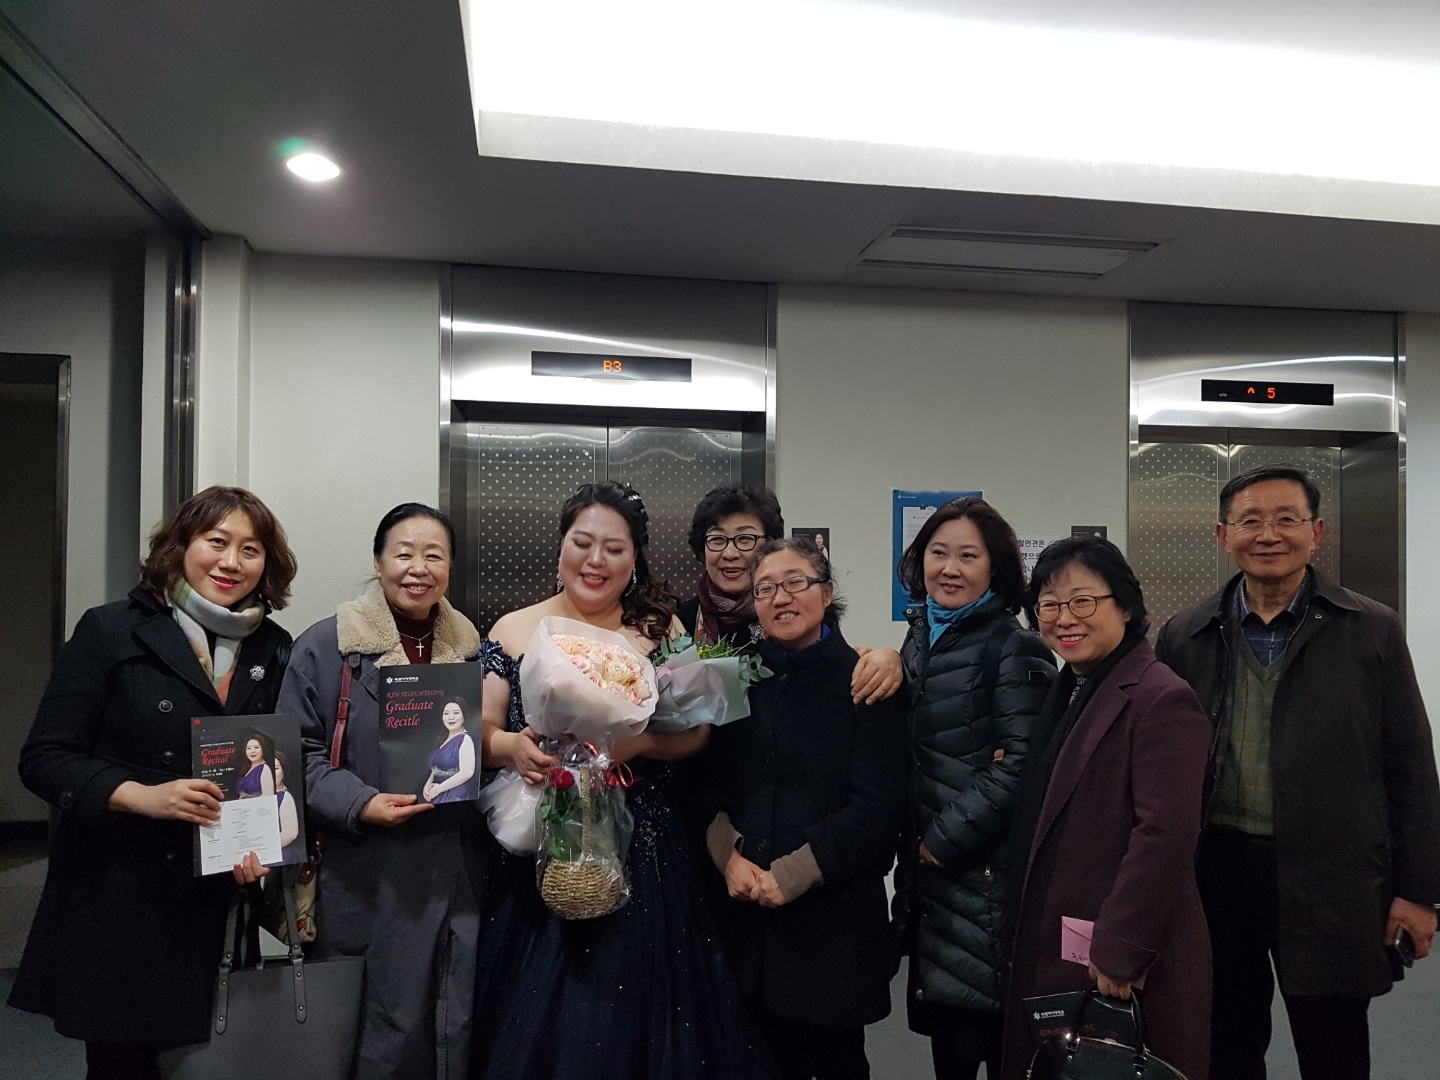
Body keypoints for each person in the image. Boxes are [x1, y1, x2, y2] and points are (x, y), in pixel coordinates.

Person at [472, 480, 777, 1079]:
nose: (596, 560)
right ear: (561, 546)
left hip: (642, 846)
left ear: (635, 558)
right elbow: (481, 729)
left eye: (614, 549)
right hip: (540, 846)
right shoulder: (515, 627)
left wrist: (633, 745)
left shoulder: (662, 629)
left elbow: (697, 731)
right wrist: (512, 747)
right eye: (582, 543)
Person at [1155, 463, 1440, 1080]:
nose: (1268, 534)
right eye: (1250, 521)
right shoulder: (1185, 635)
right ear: (1222, 535)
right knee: (1224, 1040)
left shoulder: (1371, 630)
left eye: (1287, 519)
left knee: (1333, 1044)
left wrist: (1418, 891)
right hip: (1218, 871)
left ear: (1317, 532)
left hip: (1333, 873)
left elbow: (1412, 767)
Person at [9, 486, 297, 1080]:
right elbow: (44, 757)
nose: (231, 561)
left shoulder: (273, 646)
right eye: (216, 542)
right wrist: (142, 796)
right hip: (122, 898)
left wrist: (262, 850)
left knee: (215, 1064)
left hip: (218, 899)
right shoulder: (111, 629)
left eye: (250, 549)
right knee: (124, 1068)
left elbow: (272, 765)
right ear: (180, 546)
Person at [279, 502, 484, 1080]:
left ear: (450, 566)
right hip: (364, 870)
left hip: (452, 865)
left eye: (434, 555)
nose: (419, 568)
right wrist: (359, 802)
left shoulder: (472, 649)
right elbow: (295, 758)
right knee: (373, 1026)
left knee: (450, 1014)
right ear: (377, 562)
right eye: (404, 553)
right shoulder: (327, 647)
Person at [1000, 536, 1211, 1080]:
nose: (1064, 618)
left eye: (1082, 601)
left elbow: (1165, 834)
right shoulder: (1072, 687)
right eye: (1048, 605)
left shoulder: (1160, 697)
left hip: (1123, 956)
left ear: (1126, 606)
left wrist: (1122, 947)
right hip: (1065, 937)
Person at [703, 538, 907, 1080]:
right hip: (746, 922)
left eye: (796, 582)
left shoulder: (866, 681)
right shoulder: (736, 678)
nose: (781, 597)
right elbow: (707, 785)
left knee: (835, 1064)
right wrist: (727, 857)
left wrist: (791, 876)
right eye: (765, 588)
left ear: (827, 593)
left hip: (831, 931)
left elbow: (877, 812)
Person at [891, 499, 1055, 1080]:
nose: (950, 568)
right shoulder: (922, 639)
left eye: (968, 556)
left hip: (986, 881)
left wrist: (940, 842)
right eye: (938, 553)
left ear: (995, 568)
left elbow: (1024, 764)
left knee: (998, 1045)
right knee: (952, 1048)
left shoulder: (1012, 645)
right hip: (934, 885)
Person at [676, 483, 901, 705]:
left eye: (745, 539)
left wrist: (891, 659)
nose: (730, 553)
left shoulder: (802, 614)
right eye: (717, 539)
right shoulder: (681, 622)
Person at [424, 695, 478, 804]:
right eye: (446, 713)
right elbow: (436, 768)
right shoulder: (443, 740)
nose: (451, 717)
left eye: (456, 713)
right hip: (436, 793)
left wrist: (439, 788)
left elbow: (467, 773)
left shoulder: (465, 739)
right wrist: (427, 785)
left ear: (464, 715)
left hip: (454, 794)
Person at [273, 749, 303, 864]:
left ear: (283, 771)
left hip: (279, 856)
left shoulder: (285, 796)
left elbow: (290, 833)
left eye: (276, 768)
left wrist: (264, 848)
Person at [235, 730, 276, 798]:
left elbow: (268, 795)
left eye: (256, 747)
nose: (252, 751)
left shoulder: (264, 768)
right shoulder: (247, 769)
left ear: (262, 749)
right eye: (249, 748)